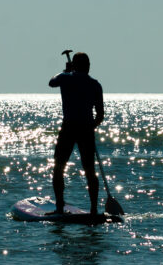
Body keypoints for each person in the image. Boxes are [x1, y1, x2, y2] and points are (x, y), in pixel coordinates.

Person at [48, 52, 104, 215]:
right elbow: (100, 115)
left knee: (59, 167)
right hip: (86, 129)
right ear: (88, 66)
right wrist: (90, 127)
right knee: (89, 171)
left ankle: (59, 207)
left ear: (73, 65)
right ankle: (94, 209)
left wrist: (66, 71)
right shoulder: (95, 84)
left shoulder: (65, 78)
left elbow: (51, 82)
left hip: (69, 128)